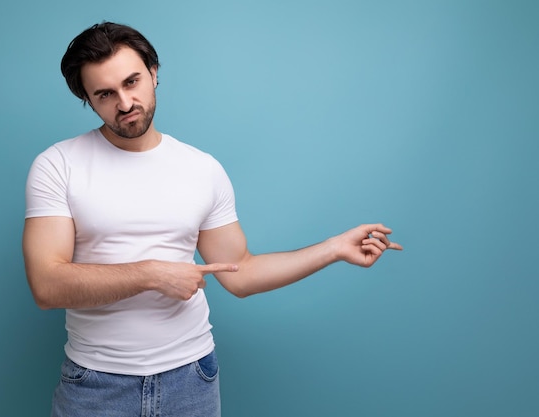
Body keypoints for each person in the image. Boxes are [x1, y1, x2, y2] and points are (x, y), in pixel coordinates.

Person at [22, 22, 403, 417]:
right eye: (105, 94)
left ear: (154, 73)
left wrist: (334, 248)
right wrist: (152, 273)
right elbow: (47, 286)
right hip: (96, 384)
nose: (124, 103)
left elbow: (242, 272)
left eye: (132, 81)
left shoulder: (201, 169)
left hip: (191, 380)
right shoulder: (58, 165)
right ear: (87, 98)